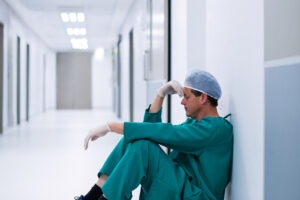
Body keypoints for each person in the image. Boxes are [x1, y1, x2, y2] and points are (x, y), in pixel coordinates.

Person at [75, 69, 233, 200]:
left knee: (143, 146)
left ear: (203, 98)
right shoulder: (196, 124)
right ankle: (91, 197)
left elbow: (164, 132)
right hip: (181, 188)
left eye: (187, 97)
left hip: (194, 195)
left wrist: (110, 126)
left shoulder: (215, 129)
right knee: (137, 139)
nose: (182, 101)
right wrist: (161, 94)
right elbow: (150, 131)